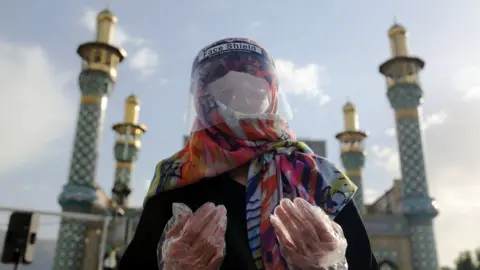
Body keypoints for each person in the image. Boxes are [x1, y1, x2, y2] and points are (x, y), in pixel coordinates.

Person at [119, 38, 378, 270]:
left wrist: (329, 265)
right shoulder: (176, 181)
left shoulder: (317, 179)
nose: (242, 104)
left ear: (273, 98)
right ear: (202, 100)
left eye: (255, 92)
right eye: (226, 93)